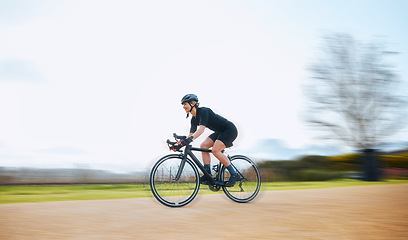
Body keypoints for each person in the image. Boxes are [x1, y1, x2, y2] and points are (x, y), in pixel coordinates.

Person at [177, 94, 240, 187]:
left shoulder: (204, 111)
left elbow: (201, 130)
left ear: (193, 103)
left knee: (215, 150)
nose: (183, 106)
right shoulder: (193, 120)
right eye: (183, 104)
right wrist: (179, 144)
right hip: (220, 132)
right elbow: (190, 135)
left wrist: (189, 140)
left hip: (229, 130)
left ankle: (234, 175)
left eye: (185, 104)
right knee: (203, 146)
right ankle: (208, 174)